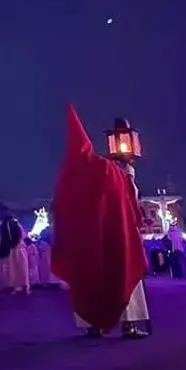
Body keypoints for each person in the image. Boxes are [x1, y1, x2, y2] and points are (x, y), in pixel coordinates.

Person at [52, 106, 149, 339]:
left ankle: (91, 324)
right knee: (121, 271)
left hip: (84, 242)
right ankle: (129, 324)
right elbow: (125, 197)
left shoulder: (66, 174)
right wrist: (128, 174)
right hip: (113, 235)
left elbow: (60, 209)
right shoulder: (104, 168)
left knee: (88, 280)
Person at [0, 216, 30, 293]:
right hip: (19, 250)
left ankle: (11, 286)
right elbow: (23, 236)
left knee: (11, 270)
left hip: (9, 251)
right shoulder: (17, 226)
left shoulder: (2, 228)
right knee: (21, 269)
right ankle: (23, 286)